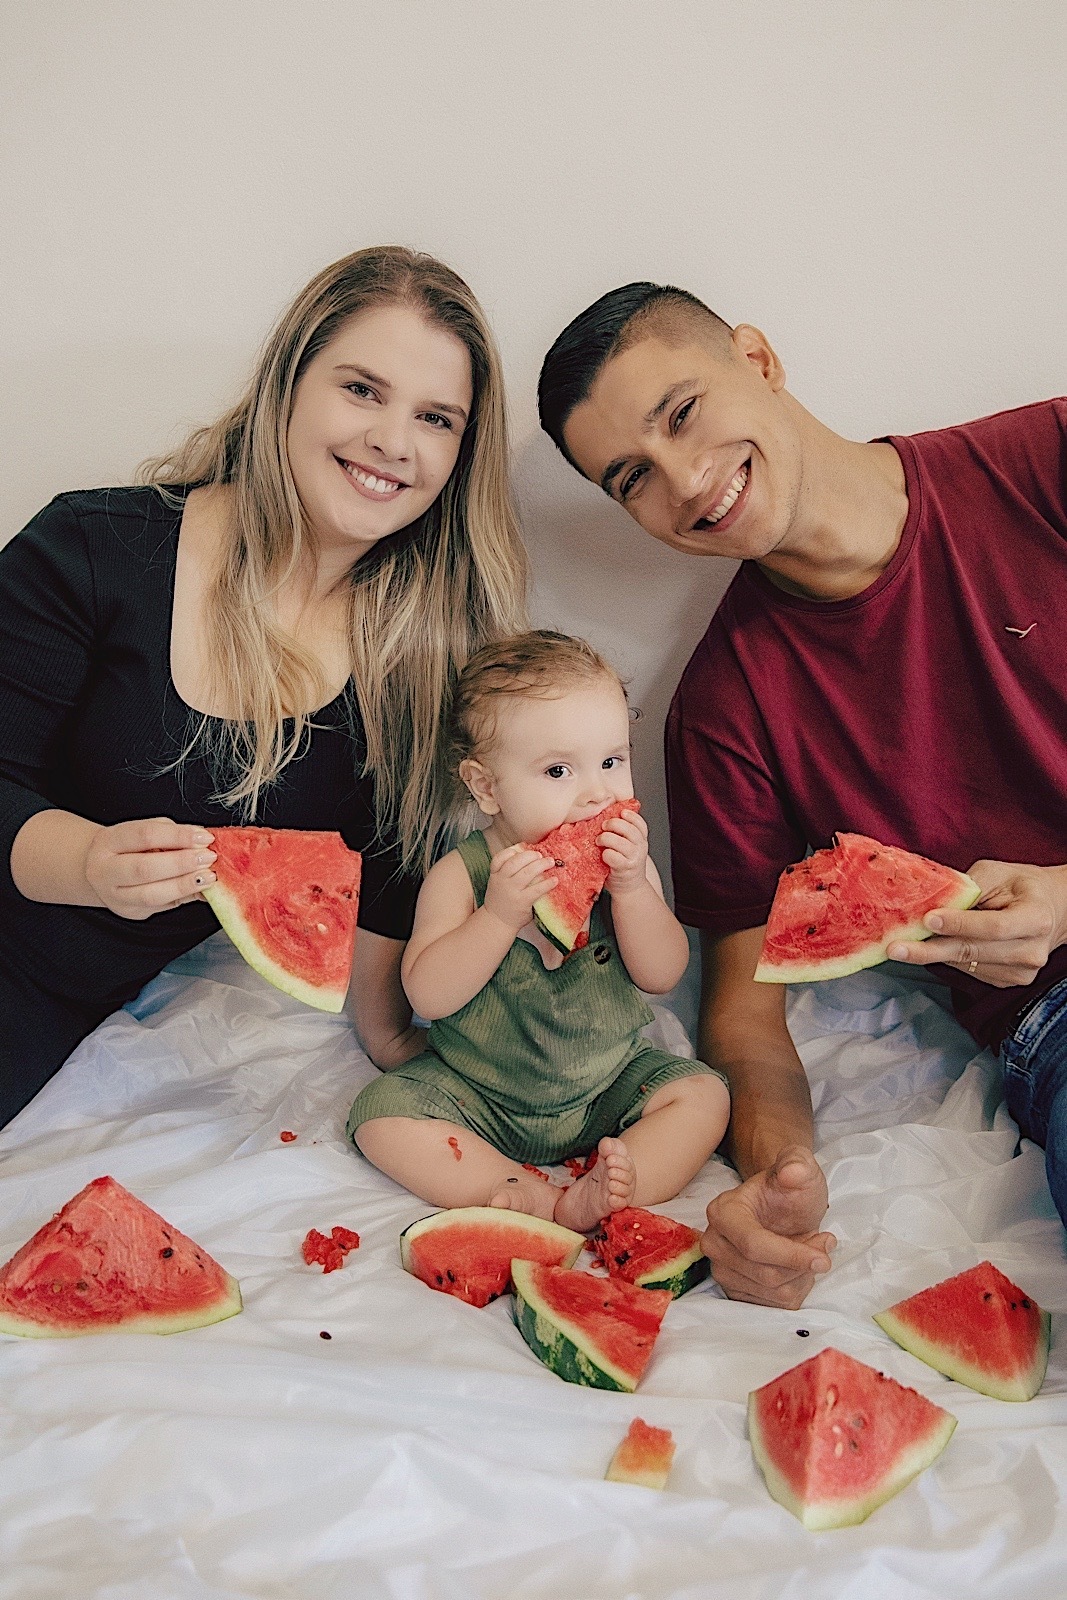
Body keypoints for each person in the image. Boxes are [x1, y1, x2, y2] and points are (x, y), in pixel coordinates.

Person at [536, 281, 1067, 1304]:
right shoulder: (722, 711)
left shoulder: (1043, 459)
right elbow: (742, 1012)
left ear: (757, 358)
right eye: (631, 478)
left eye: (682, 413)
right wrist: (777, 1175)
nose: (685, 481)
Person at [0, 245, 529, 1129]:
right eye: (361, 389)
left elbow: (384, 876)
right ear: (288, 382)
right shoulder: (88, 550)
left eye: (436, 417)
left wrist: (407, 1055)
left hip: (52, 1009)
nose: (393, 441)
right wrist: (89, 864)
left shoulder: (421, 655)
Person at [348, 631, 730, 1231]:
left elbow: (663, 973)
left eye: (612, 761)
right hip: (476, 1090)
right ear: (486, 787)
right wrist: (497, 918)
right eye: (558, 770)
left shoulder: (624, 866)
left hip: (609, 1083)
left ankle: (617, 1185)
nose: (598, 792)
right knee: (381, 1116)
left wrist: (630, 891)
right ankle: (512, 1187)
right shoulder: (462, 875)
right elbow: (428, 995)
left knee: (704, 1097)